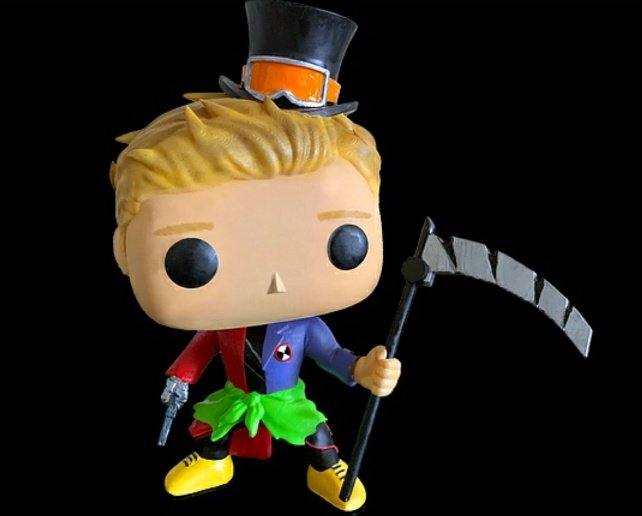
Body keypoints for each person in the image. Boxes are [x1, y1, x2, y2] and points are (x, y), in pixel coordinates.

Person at [110, 1, 400, 511]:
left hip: (285, 399)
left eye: (343, 243)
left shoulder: (302, 326)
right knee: (216, 428)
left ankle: (326, 468)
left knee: (316, 433)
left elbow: (332, 356)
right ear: (123, 250)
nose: (275, 283)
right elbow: (198, 353)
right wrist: (179, 379)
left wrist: (363, 370)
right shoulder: (223, 326)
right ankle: (214, 461)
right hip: (238, 397)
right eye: (192, 257)